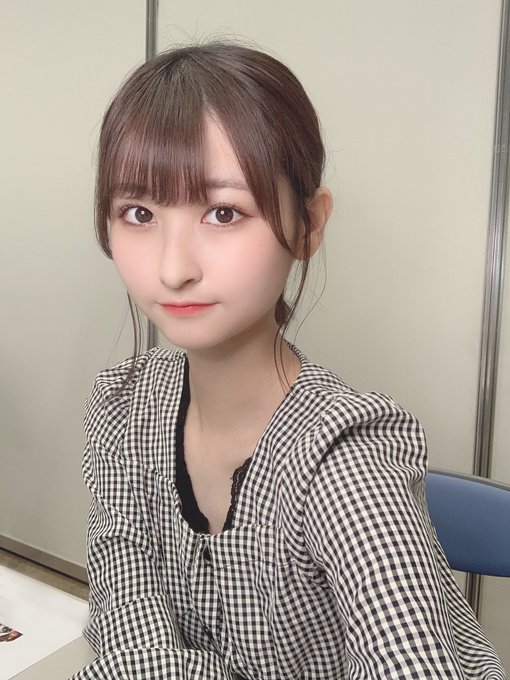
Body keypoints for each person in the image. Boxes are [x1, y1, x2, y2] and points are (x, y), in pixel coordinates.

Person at [72, 43, 506, 679]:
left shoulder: (343, 460)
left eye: (223, 212)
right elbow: (124, 615)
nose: (172, 267)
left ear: (308, 225)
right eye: (138, 213)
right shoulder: (123, 408)